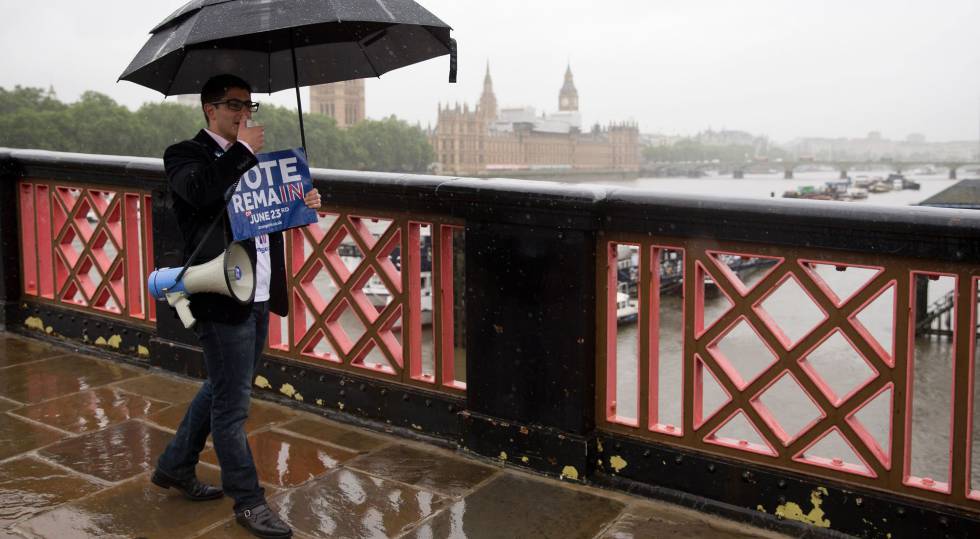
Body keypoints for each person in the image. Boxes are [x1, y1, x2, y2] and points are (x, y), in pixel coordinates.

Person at [152, 74, 319, 539]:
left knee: (226, 386)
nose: (244, 113)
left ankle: (175, 466)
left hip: (260, 291)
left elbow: (266, 217)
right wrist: (243, 152)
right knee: (233, 406)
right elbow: (201, 193)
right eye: (233, 105)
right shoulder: (185, 155)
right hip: (221, 297)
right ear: (209, 109)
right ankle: (249, 502)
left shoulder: (254, 161)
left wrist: (301, 202)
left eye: (249, 106)